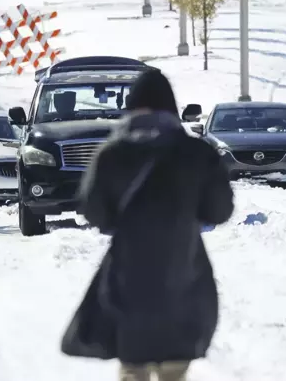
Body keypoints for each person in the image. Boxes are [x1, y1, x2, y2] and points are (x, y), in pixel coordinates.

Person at [60, 69, 234, 381]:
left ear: (132, 106)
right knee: (173, 371)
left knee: (134, 368)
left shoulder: (112, 154)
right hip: (185, 278)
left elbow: (95, 212)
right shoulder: (197, 152)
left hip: (129, 286)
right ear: (171, 108)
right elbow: (220, 210)